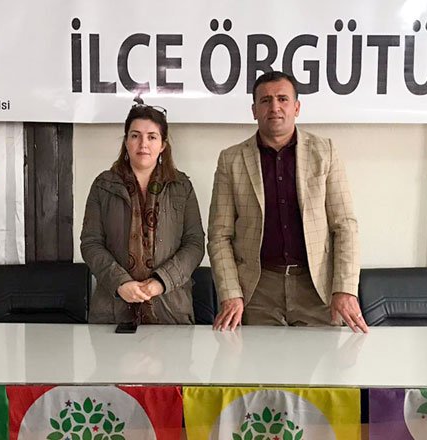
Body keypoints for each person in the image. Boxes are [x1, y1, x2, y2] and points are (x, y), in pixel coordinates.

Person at [207, 71, 368, 332]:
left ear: (297, 107)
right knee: (257, 359)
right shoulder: (231, 160)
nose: (275, 107)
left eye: (282, 99)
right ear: (254, 110)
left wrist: (345, 289)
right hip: (257, 290)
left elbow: (345, 226)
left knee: (321, 358)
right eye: (265, 100)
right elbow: (219, 235)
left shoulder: (325, 152)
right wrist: (230, 293)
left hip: (316, 288)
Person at [81, 103, 205, 324]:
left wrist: (161, 282)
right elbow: (91, 243)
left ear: (163, 145)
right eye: (135, 136)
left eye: (152, 137)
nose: (143, 144)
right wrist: (120, 282)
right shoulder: (103, 185)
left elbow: (194, 244)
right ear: (126, 141)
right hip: (113, 309)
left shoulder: (181, 186)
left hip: (170, 309)